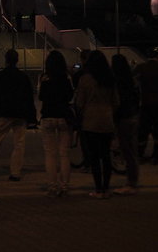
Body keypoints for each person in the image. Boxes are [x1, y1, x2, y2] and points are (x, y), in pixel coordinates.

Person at [75, 51, 119, 199]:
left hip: (90, 121)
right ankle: (106, 188)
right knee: (106, 155)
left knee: (94, 157)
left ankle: (98, 188)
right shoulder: (110, 79)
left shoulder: (85, 79)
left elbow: (79, 102)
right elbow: (116, 102)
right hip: (107, 120)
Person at [0, 49, 36, 181]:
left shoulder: (0, 76)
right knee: (19, 144)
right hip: (20, 113)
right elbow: (29, 97)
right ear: (17, 60)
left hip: (5, 112)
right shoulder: (23, 77)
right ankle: (15, 172)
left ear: (6, 60)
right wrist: (32, 117)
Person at [38, 50, 74, 197]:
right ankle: (64, 186)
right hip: (64, 116)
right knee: (64, 154)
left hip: (48, 117)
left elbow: (41, 96)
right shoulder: (66, 78)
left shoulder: (44, 78)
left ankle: (52, 186)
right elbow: (70, 95)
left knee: (50, 154)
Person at [111, 53, 140, 195]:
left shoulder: (117, 82)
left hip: (123, 118)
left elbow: (117, 102)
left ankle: (131, 183)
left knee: (127, 151)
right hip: (133, 115)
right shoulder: (130, 80)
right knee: (131, 150)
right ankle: (132, 180)